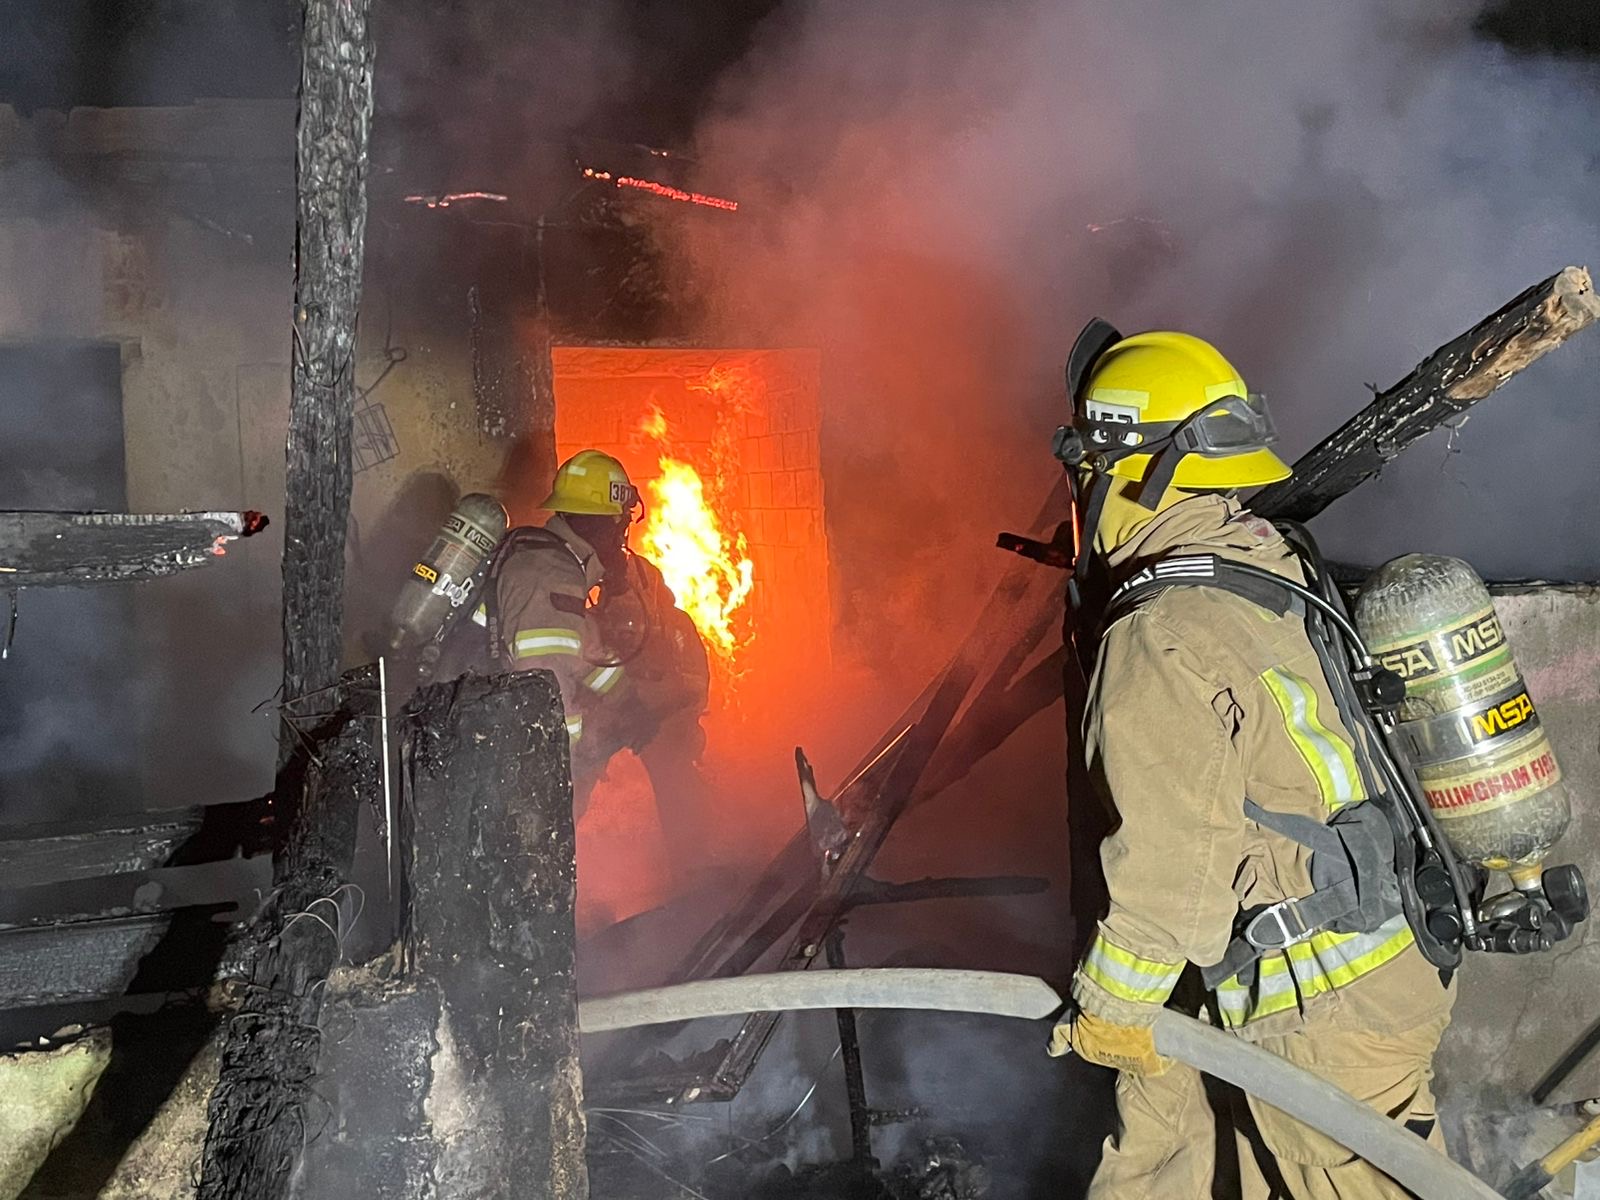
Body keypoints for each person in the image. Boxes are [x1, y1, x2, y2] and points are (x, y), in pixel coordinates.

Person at [1047, 327, 1454, 1197]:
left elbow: (1168, 866)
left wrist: (1112, 1007)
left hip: (1320, 1012)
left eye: (1087, 463)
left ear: (1130, 469)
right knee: (1159, 1163)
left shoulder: (1162, 632)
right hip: (1268, 983)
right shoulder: (1260, 567)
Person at [469, 449, 712, 850]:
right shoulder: (550, 574)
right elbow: (546, 691)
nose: (621, 538)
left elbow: (586, 653)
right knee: (535, 854)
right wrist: (579, 758)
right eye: (618, 526)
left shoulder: (558, 565)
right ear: (600, 524)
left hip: (506, 733)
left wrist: (629, 705)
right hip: (514, 755)